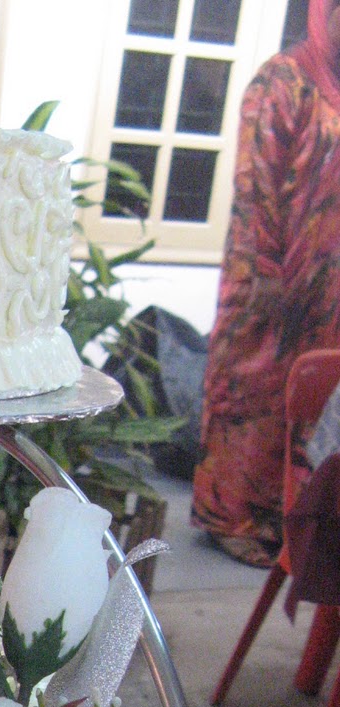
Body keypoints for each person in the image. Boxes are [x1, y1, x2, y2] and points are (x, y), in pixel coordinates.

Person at [193, 0, 340, 566]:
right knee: (249, 396)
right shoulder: (284, 79)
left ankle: (287, 521)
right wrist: (267, 273)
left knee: (307, 400)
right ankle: (227, 516)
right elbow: (255, 178)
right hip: (268, 274)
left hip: (326, 289)